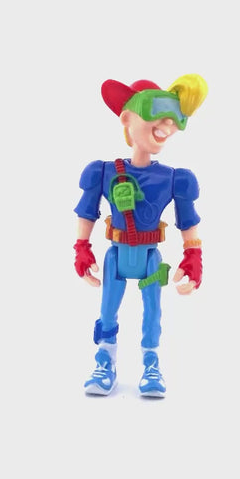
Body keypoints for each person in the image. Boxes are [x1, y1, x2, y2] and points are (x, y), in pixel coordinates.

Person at [73, 74, 208, 397]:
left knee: (153, 311)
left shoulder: (175, 179)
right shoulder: (102, 172)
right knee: (107, 309)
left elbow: (188, 222)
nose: (168, 124)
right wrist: (82, 247)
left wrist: (193, 256)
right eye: (156, 110)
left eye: (175, 117)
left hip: (150, 258)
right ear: (126, 118)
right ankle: (105, 359)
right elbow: (86, 212)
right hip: (116, 256)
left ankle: (151, 363)